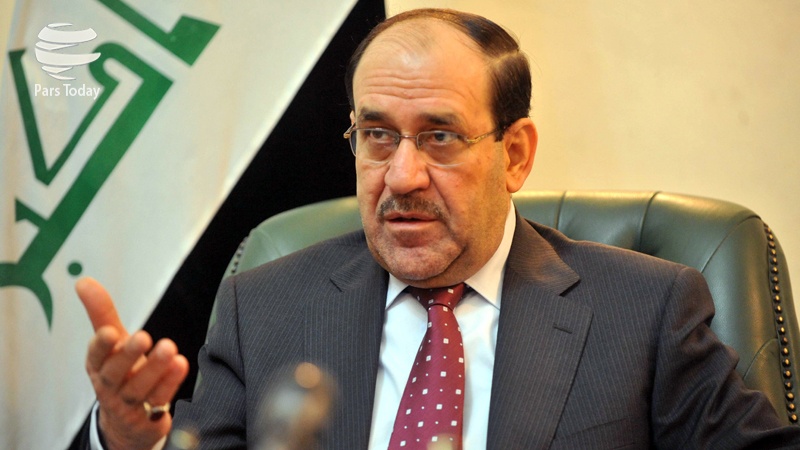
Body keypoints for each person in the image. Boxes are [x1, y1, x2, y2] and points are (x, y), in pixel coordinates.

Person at [77, 8, 800, 450]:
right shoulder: (263, 308)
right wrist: (129, 441)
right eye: (377, 135)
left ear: (514, 155)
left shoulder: (643, 310)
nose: (401, 176)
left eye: (441, 137)